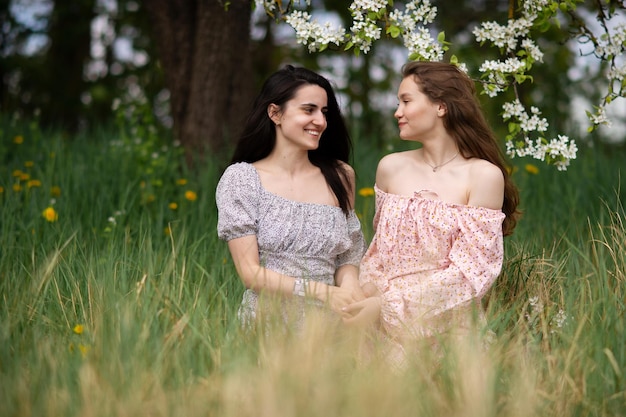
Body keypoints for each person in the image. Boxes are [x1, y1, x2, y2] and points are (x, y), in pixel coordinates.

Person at [342, 61, 520, 355]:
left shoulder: (483, 176)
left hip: (449, 330)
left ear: (440, 106)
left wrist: (388, 306)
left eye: (406, 101)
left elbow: (471, 272)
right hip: (381, 329)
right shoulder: (390, 168)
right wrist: (370, 300)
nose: (397, 112)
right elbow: (379, 254)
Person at [216, 65, 366, 328]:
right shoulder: (242, 179)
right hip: (268, 322)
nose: (320, 121)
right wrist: (324, 293)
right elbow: (250, 274)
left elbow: (347, 257)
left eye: (324, 112)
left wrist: (350, 288)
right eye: (308, 110)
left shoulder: (341, 176)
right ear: (275, 113)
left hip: (331, 326)